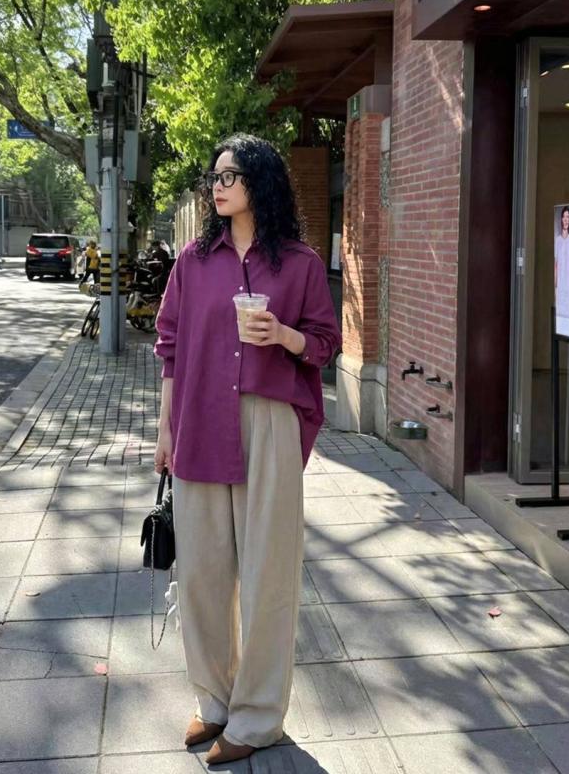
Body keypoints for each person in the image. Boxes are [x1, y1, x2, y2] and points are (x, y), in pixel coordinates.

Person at [153, 133, 341, 766]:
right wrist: (164, 429)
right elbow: (169, 347)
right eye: (214, 177)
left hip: (268, 424)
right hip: (200, 421)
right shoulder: (192, 261)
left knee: (268, 576)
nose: (217, 185)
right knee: (201, 574)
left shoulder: (301, 264)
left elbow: (324, 343)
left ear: (260, 182)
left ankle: (258, 718)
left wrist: (282, 334)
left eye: (228, 175)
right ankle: (214, 702)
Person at [555, 206, 569, 318]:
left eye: (568, 217)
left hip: (568, 286)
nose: (566, 219)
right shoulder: (557, 240)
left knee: (568, 317)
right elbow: (555, 266)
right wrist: (555, 288)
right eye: (564, 217)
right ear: (561, 219)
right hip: (559, 286)